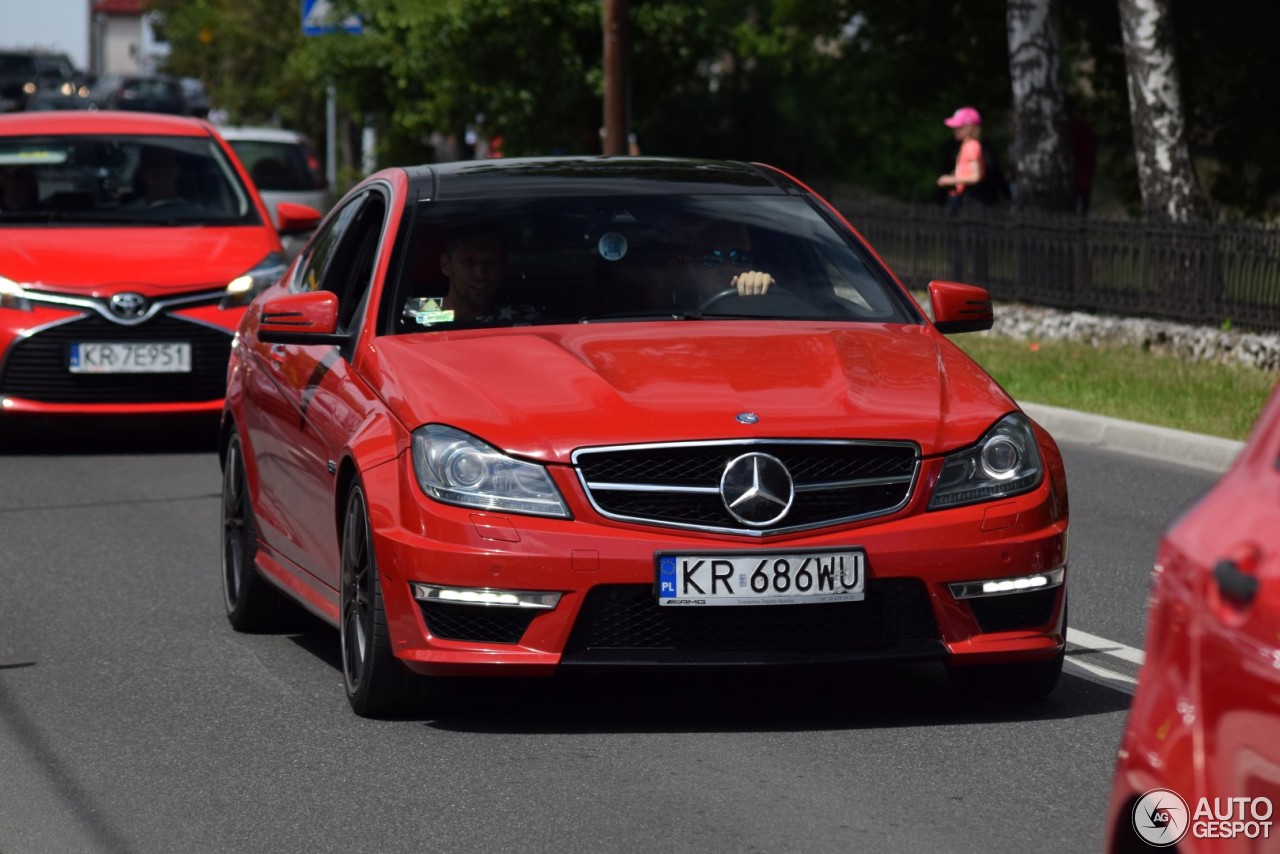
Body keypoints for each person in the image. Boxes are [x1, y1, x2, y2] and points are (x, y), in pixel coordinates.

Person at [422, 223, 540, 324]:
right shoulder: (417, 315)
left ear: (503, 266)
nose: (480, 275)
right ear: (446, 265)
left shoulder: (522, 319)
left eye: (490, 263)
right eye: (469, 262)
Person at [679, 219, 775, 305]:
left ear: (751, 264)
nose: (727, 268)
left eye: (739, 258)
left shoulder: (764, 317)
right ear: (691, 266)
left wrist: (769, 293)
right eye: (714, 258)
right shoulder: (673, 319)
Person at [937, 106, 986, 212]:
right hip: (964, 197)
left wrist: (951, 180)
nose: (955, 130)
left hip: (972, 199)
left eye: (958, 127)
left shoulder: (972, 146)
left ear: (969, 128)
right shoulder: (966, 145)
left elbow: (975, 176)